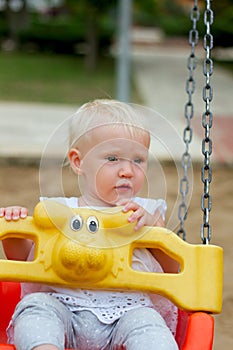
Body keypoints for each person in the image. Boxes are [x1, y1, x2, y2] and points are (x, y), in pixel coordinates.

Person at [0, 99, 179, 350]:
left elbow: (174, 269)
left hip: (127, 313)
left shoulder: (147, 214)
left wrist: (152, 229)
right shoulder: (58, 212)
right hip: (63, 307)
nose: (127, 170)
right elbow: (23, 260)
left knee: (149, 322)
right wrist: (12, 229)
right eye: (113, 158)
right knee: (36, 307)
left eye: (138, 160)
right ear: (78, 162)